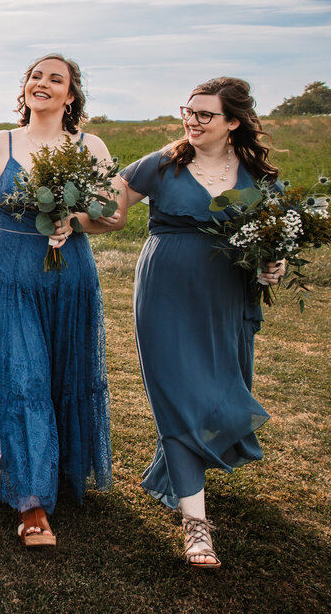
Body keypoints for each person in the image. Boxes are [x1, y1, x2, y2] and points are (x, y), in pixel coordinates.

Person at [114, 77, 283, 569]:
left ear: (233, 122)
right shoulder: (161, 164)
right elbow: (108, 210)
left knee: (224, 395)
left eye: (205, 114)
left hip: (228, 296)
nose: (192, 119)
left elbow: (274, 242)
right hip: (165, 293)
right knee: (178, 398)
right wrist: (64, 214)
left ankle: (174, 474)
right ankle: (196, 526)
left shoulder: (256, 176)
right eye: (188, 110)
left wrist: (276, 265)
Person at [0, 53, 115, 547]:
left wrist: (77, 220)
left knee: (65, 373)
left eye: (55, 78)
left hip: (71, 277)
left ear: (71, 95)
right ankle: (32, 504)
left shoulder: (91, 145)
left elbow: (113, 213)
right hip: (7, 274)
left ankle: (56, 468)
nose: (41, 83)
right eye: (35, 76)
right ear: (25, 88)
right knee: (22, 379)